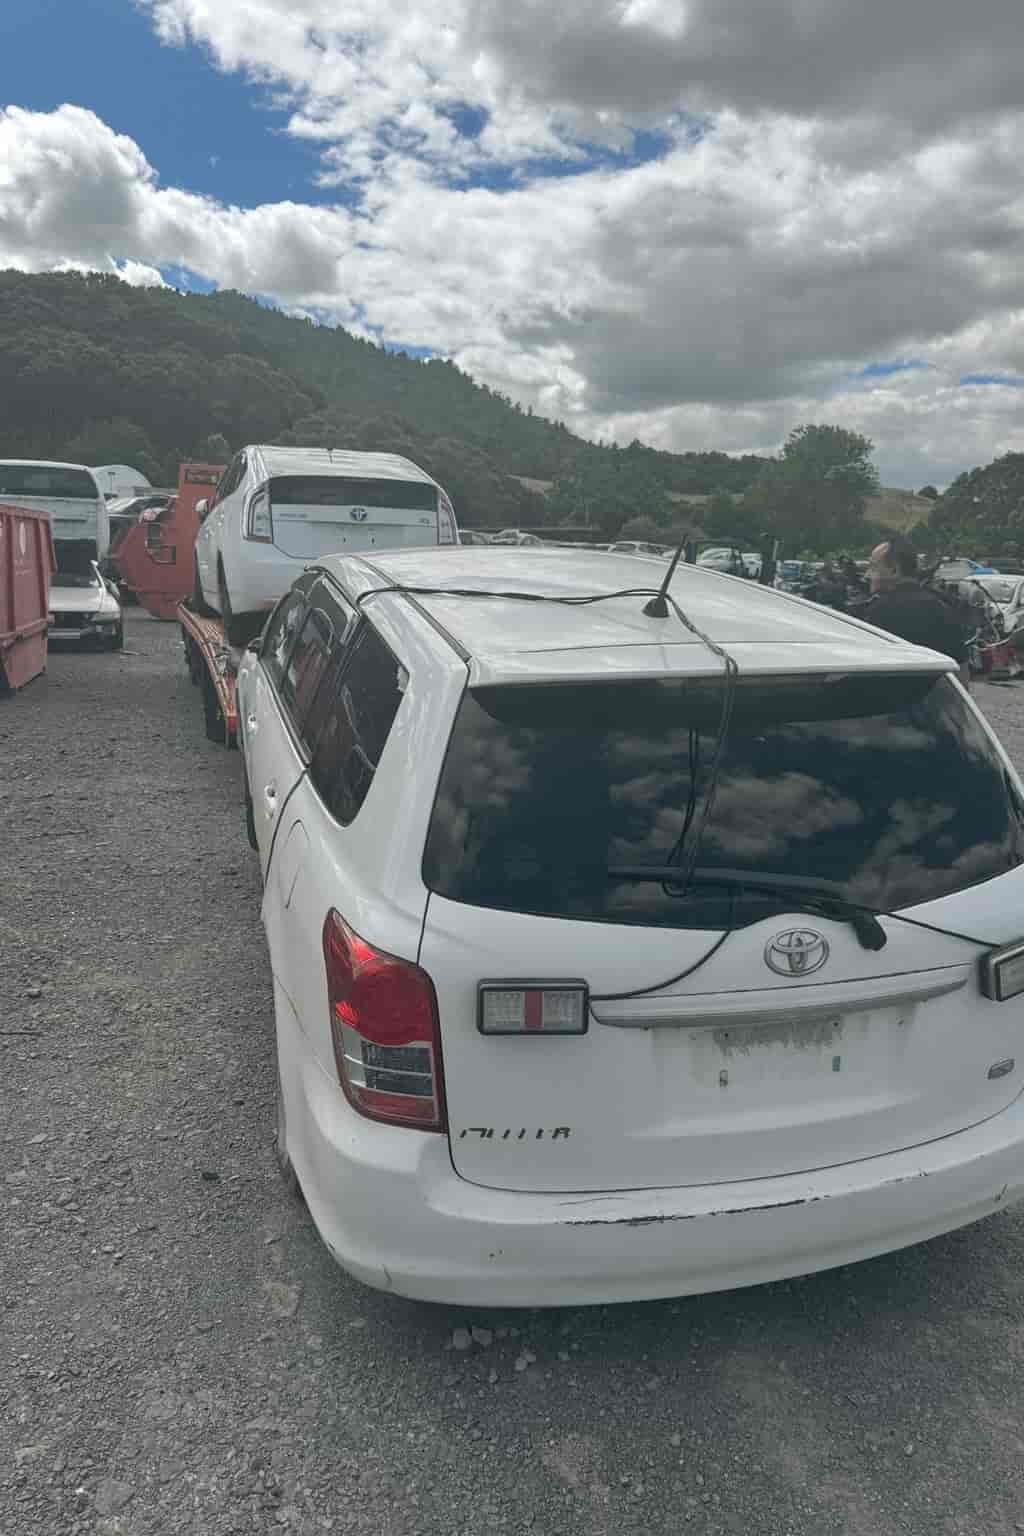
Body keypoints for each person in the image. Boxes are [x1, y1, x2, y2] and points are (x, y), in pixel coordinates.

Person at [863, 537, 970, 679]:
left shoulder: (878, 613)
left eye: (873, 567)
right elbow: (961, 674)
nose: (867, 575)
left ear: (894, 570)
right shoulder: (944, 609)